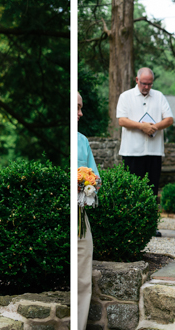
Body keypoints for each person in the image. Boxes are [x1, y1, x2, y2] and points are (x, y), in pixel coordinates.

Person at [116, 67, 174, 197]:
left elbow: (169, 119)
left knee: (152, 191)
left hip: (154, 152)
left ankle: (151, 217)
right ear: (137, 80)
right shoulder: (125, 96)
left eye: (149, 84)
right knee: (131, 191)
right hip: (131, 152)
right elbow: (122, 121)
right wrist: (142, 127)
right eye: (143, 83)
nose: (146, 87)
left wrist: (154, 127)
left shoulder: (159, 96)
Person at [76, 91, 98, 330]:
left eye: (82, 108)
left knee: (83, 278)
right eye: (77, 108)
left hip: (80, 215)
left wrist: (89, 184)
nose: (81, 113)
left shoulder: (83, 140)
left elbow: (95, 177)